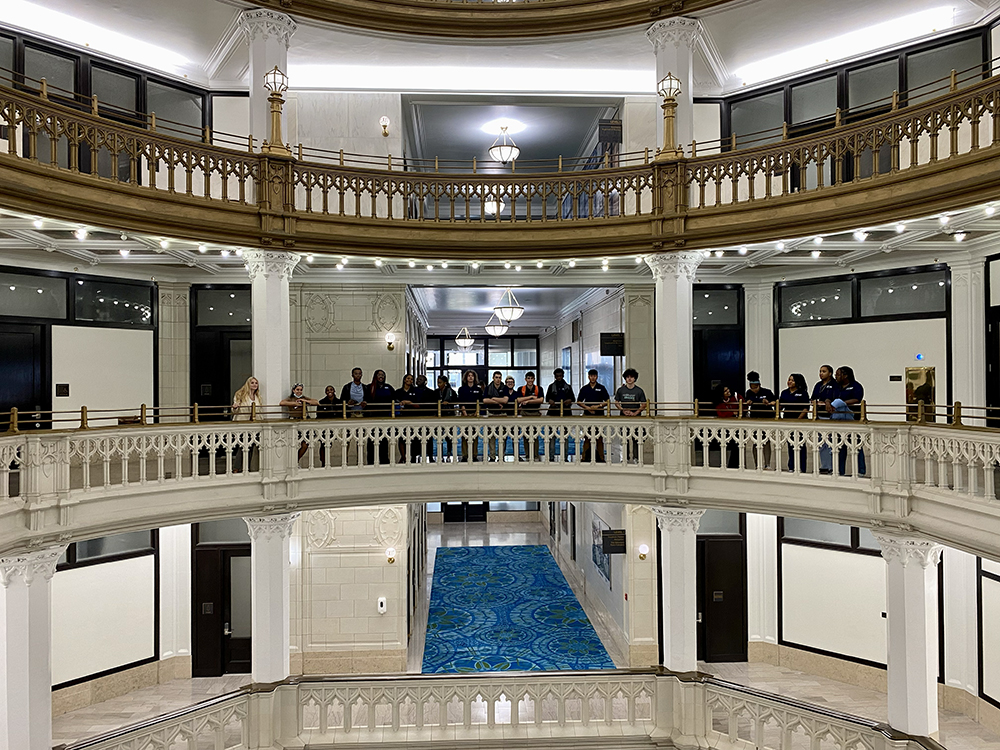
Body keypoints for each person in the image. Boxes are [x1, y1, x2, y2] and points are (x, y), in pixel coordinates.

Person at [834, 367, 866, 476]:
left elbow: (857, 399)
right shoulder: (836, 387)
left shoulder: (856, 386)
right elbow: (830, 398)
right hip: (839, 421)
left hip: (853, 420)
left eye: (838, 374)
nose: (836, 376)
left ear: (845, 375)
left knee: (856, 446)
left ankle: (860, 471)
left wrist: (842, 403)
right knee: (840, 447)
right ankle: (839, 471)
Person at [778, 373, 810, 472]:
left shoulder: (803, 393)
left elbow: (806, 408)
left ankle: (802, 467)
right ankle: (792, 466)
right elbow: (780, 406)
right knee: (790, 445)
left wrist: (798, 420)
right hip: (788, 420)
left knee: (800, 445)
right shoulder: (784, 392)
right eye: (789, 379)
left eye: (792, 380)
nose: (789, 382)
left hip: (800, 421)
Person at [280, 384, 319, 462]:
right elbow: (282, 402)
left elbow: (316, 402)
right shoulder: (290, 398)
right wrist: (294, 403)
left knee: (305, 444)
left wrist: (305, 401)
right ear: (293, 390)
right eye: (297, 390)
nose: (299, 391)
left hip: (304, 422)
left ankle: (296, 460)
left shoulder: (303, 398)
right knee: (292, 444)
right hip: (294, 422)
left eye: (301, 390)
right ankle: (291, 461)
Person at [744, 370, 775, 469]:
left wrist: (768, 402)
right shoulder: (748, 393)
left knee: (767, 442)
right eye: (752, 388)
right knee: (755, 442)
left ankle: (767, 464)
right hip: (755, 419)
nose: (754, 390)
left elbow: (774, 401)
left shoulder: (767, 392)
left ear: (759, 385)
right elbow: (746, 402)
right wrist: (749, 402)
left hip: (767, 418)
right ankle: (757, 464)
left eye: (756, 387)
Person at [577, 368, 610, 463]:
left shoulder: (601, 388)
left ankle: (601, 458)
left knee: (599, 437)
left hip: (599, 415)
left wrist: (598, 406)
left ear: (597, 377)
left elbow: (607, 401)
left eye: (594, 376)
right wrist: (587, 408)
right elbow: (579, 401)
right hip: (587, 415)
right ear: (588, 377)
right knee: (587, 437)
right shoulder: (585, 388)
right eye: (591, 376)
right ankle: (584, 457)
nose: (593, 378)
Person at [615, 368, 647, 463]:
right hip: (624, 417)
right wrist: (623, 410)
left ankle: (636, 457)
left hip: (636, 418)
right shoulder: (620, 390)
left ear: (635, 378)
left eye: (631, 377)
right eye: (627, 377)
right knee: (624, 438)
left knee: (636, 438)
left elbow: (644, 404)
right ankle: (625, 457)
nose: (629, 379)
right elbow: (616, 402)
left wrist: (635, 413)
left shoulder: (639, 391)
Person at [231, 376, 262, 472]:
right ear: (248, 384)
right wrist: (235, 407)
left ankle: (247, 467)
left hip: (255, 424)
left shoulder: (258, 397)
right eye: (252, 383)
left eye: (256, 383)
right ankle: (237, 467)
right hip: (243, 422)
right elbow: (234, 409)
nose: (254, 385)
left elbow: (260, 410)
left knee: (252, 446)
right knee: (243, 445)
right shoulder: (240, 394)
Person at [812, 365, 838, 473]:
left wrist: (827, 402)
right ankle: (824, 465)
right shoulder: (818, 385)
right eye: (820, 371)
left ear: (830, 373)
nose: (821, 373)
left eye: (824, 371)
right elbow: (813, 397)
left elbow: (836, 398)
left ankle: (832, 466)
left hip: (831, 416)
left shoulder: (834, 384)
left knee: (831, 442)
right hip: (820, 415)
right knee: (821, 442)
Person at [366, 370, 395, 465]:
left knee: (384, 441)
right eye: (379, 375)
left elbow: (394, 399)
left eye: (382, 375)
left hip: (385, 417)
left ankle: (384, 460)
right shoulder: (370, 387)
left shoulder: (388, 387)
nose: (381, 376)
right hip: (372, 417)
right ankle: (371, 461)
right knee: (371, 441)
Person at [545, 368, 575, 460]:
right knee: (552, 435)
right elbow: (547, 399)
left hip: (565, 413)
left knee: (565, 436)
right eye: (557, 376)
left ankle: (565, 456)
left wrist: (568, 401)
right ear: (554, 376)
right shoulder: (551, 387)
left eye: (560, 376)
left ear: (563, 376)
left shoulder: (568, 387)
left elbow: (573, 399)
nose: (559, 378)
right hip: (553, 413)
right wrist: (551, 402)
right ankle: (551, 456)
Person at [515, 371, 544, 460]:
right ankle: (528, 454)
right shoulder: (521, 389)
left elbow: (540, 400)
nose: (530, 380)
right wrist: (531, 397)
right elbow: (518, 400)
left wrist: (527, 401)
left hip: (535, 412)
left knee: (535, 434)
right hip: (525, 413)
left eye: (532, 378)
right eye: (528, 378)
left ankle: (535, 454)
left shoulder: (539, 388)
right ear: (525, 379)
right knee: (525, 434)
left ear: (534, 379)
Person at [483, 371, 511, 460]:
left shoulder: (505, 388)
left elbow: (505, 400)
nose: (498, 379)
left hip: (502, 414)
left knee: (502, 437)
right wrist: (499, 401)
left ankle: (501, 456)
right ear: (493, 378)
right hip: (491, 413)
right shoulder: (488, 388)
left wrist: (494, 399)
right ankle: (492, 456)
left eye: (499, 377)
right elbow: (485, 400)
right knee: (491, 436)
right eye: (496, 377)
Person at [394, 373, 422, 462]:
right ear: (404, 380)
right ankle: (403, 456)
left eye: (411, 379)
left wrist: (409, 403)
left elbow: (419, 405)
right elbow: (394, 403)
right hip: (402, 417)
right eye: (408, 378)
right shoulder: (398, 392)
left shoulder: (416, 391)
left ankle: (413, 456)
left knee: (413, 438)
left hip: (413, 416)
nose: (410, 380)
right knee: (402, 437)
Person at [712, 384, 741, 468]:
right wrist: (732, 413)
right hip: (724, 427)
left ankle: (735, 465)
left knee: (737, 446)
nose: (728, 391)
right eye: (725, 391)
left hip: (735, 426)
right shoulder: (718, 402)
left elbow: (742, 405)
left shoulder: (734, 397)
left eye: (728, 389)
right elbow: (721, 413)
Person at [458, 370, 483, 462]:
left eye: (472, 375)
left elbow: (480, 402)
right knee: (464, 435)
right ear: (466, 378)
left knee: (474, 435)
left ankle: (474, 455)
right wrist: (465, 413)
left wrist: (476, 412)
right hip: (465, 413)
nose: (470, 377)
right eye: (469, 376)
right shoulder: (462, 389)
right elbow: (461, 402)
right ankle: (465, 455)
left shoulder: (478, 389)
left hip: (475, 413)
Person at [316, 385, 341, 467]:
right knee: (323, 444)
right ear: (325, 392)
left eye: (331, 390)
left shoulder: (339, 402)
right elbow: (318, 414)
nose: (329, 391)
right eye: (327, 390)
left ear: (334, 391)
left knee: (330, 444)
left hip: (335, 425)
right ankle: (323, 461)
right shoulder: (322, 402)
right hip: (324, 426)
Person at [436, 374, 458, 460]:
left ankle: (449, 454)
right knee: (439, 437)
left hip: (449, 416)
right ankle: (440, 455)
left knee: (449, 437)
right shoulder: (436, 392)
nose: (438, 384)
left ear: (445, 383)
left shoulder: (451, 392)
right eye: (438, 383)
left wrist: (448, 403)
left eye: (440, 383)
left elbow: (456, 401)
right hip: (439, 416)